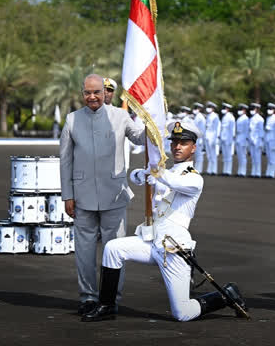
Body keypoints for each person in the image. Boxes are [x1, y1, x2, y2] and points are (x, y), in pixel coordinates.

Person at [81, 119, 247, 322]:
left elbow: (174, 182)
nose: (177, 147)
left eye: (184, 143)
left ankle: (226, 295)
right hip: (152, 241)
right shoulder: (165, 172)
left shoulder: (194, 178)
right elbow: (135, 176)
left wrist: (155, 172)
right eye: (175, 142)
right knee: (113, 249)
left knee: (182, 313)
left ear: (193, 148)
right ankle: (106, 305)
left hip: (173, 248)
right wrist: (141, 174)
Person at [60, 74, 146, 315]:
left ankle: (110, 300)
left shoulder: (120, 116)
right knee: (84, 252)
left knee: (114, 250)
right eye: (87, 92)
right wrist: (67, 194)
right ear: (82, 93)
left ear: (104, 92)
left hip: (114, 195)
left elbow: (138, 137)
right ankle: (88, 297)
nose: (92, 97)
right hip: (82, 196)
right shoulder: (72, 119)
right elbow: (65, 161)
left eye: (96, 92)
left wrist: (152, 123)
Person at [264, 104, 275, 178]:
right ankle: (268, 173)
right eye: (268, 109)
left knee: (273, 158)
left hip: (273, 141)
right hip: (268, 140)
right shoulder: (268, 118)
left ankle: (271, 173)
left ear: (274, 110)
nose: (269, 110)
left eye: (271, 109)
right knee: (269, 158)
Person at [204, 101, 220, 175]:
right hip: (207, 136)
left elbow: (216, 128)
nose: (208, 109)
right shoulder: (208, 116)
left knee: (213, 154)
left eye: (210, 107)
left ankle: (214, 170)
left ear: (213, 108)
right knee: (209, 155)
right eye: (208, 107)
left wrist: (215, 139)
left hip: (212, 137)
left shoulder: (215, 116)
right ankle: (209, 170)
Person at [249, 103, 265, 177]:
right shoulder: (251, 118)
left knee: (257, 157)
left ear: (256, 109)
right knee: (253, 157)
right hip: (251, 140)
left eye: (253, 109)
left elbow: (261, 131)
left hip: (257, 140)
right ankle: (253, 172)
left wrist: (261, 141)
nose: (252, 111)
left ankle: (257, 172)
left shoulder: (260, 119)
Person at [220, 102, 236, 176]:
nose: (223, 109)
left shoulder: (231, 117)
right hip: (223, 138)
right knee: (225, 155)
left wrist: (230, 140)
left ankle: (228, 171)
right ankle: (224, 170)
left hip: (228, 139)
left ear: (228, 109)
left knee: (228, 156)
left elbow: (232, 129)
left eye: (224, 108)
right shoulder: (224, 117)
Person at [235, 104, 250, 177]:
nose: (239, 111)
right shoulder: (239, 118)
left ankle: (243, 172)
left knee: (243, 156)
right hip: (238, 137)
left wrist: (246, 140)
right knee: (239, 156)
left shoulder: (246, 119)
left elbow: (247, 131)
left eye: (241, 109)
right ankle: (239, 171)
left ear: (244, 110)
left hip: (243, 138)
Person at [191, 103, 206, 172]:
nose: (195, 110)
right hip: (196, 138)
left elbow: (202, 130)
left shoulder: (200, 117)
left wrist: (201, 139)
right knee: (197, 155)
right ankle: (197, 169)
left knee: (199, 155)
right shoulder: (197, 116)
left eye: (196, 108)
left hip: (199, 138)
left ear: (199, 109)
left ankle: (199, 169)